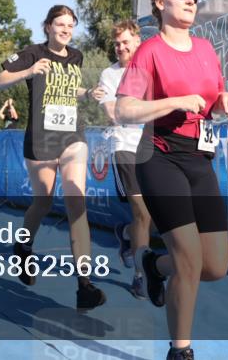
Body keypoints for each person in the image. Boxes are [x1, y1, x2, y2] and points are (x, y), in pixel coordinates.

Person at [115, 0, 228, 360]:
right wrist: (171, 102)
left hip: (199, 159)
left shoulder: (206, 49)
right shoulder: (149, 52)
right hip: (159, 156)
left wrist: (225, 97)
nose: (191, 0)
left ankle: (153, 264)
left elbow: (213, 97)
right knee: (188, 258)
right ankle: (180, 351)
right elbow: (124, 109)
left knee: (216, 265)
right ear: (159, 4)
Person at [0, 5, 106, 312]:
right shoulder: (32, 53)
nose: (66, 30)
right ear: (48, 26)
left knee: (76, 203)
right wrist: (28, 72)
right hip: (41, 140)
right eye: (60, 24)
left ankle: (85, 285)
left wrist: (87, 93)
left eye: (70, 25)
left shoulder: (77, 57)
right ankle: (23, 246)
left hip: (71, 136)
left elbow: (68, 90)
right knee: (42, 202)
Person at [93, 19, 151, 299]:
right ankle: (140, 276)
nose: (120, 47)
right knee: (143, 211)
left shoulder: (150, 68)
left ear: (138, 42)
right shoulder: (109, 75)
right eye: (116, 43)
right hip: (124, 144)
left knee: (152, 214)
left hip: (154, 144)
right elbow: (115, 114)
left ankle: (127, 234)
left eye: (125, 42)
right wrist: (149, 109)